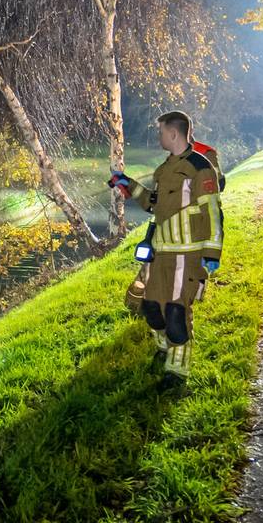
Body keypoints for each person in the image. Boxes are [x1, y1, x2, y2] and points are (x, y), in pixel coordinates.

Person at [109, 111, 223, 384]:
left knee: (175, 313)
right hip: (161, 253)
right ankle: (164, 348)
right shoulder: (163, 170)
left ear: (173, 133)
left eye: (161, 132)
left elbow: (212, 211)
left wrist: (212, 252)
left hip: (187, 254)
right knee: (151, 308)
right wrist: (128, 183)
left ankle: (177, 371)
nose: (158, 136)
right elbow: (154, 203)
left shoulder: (200, 167)